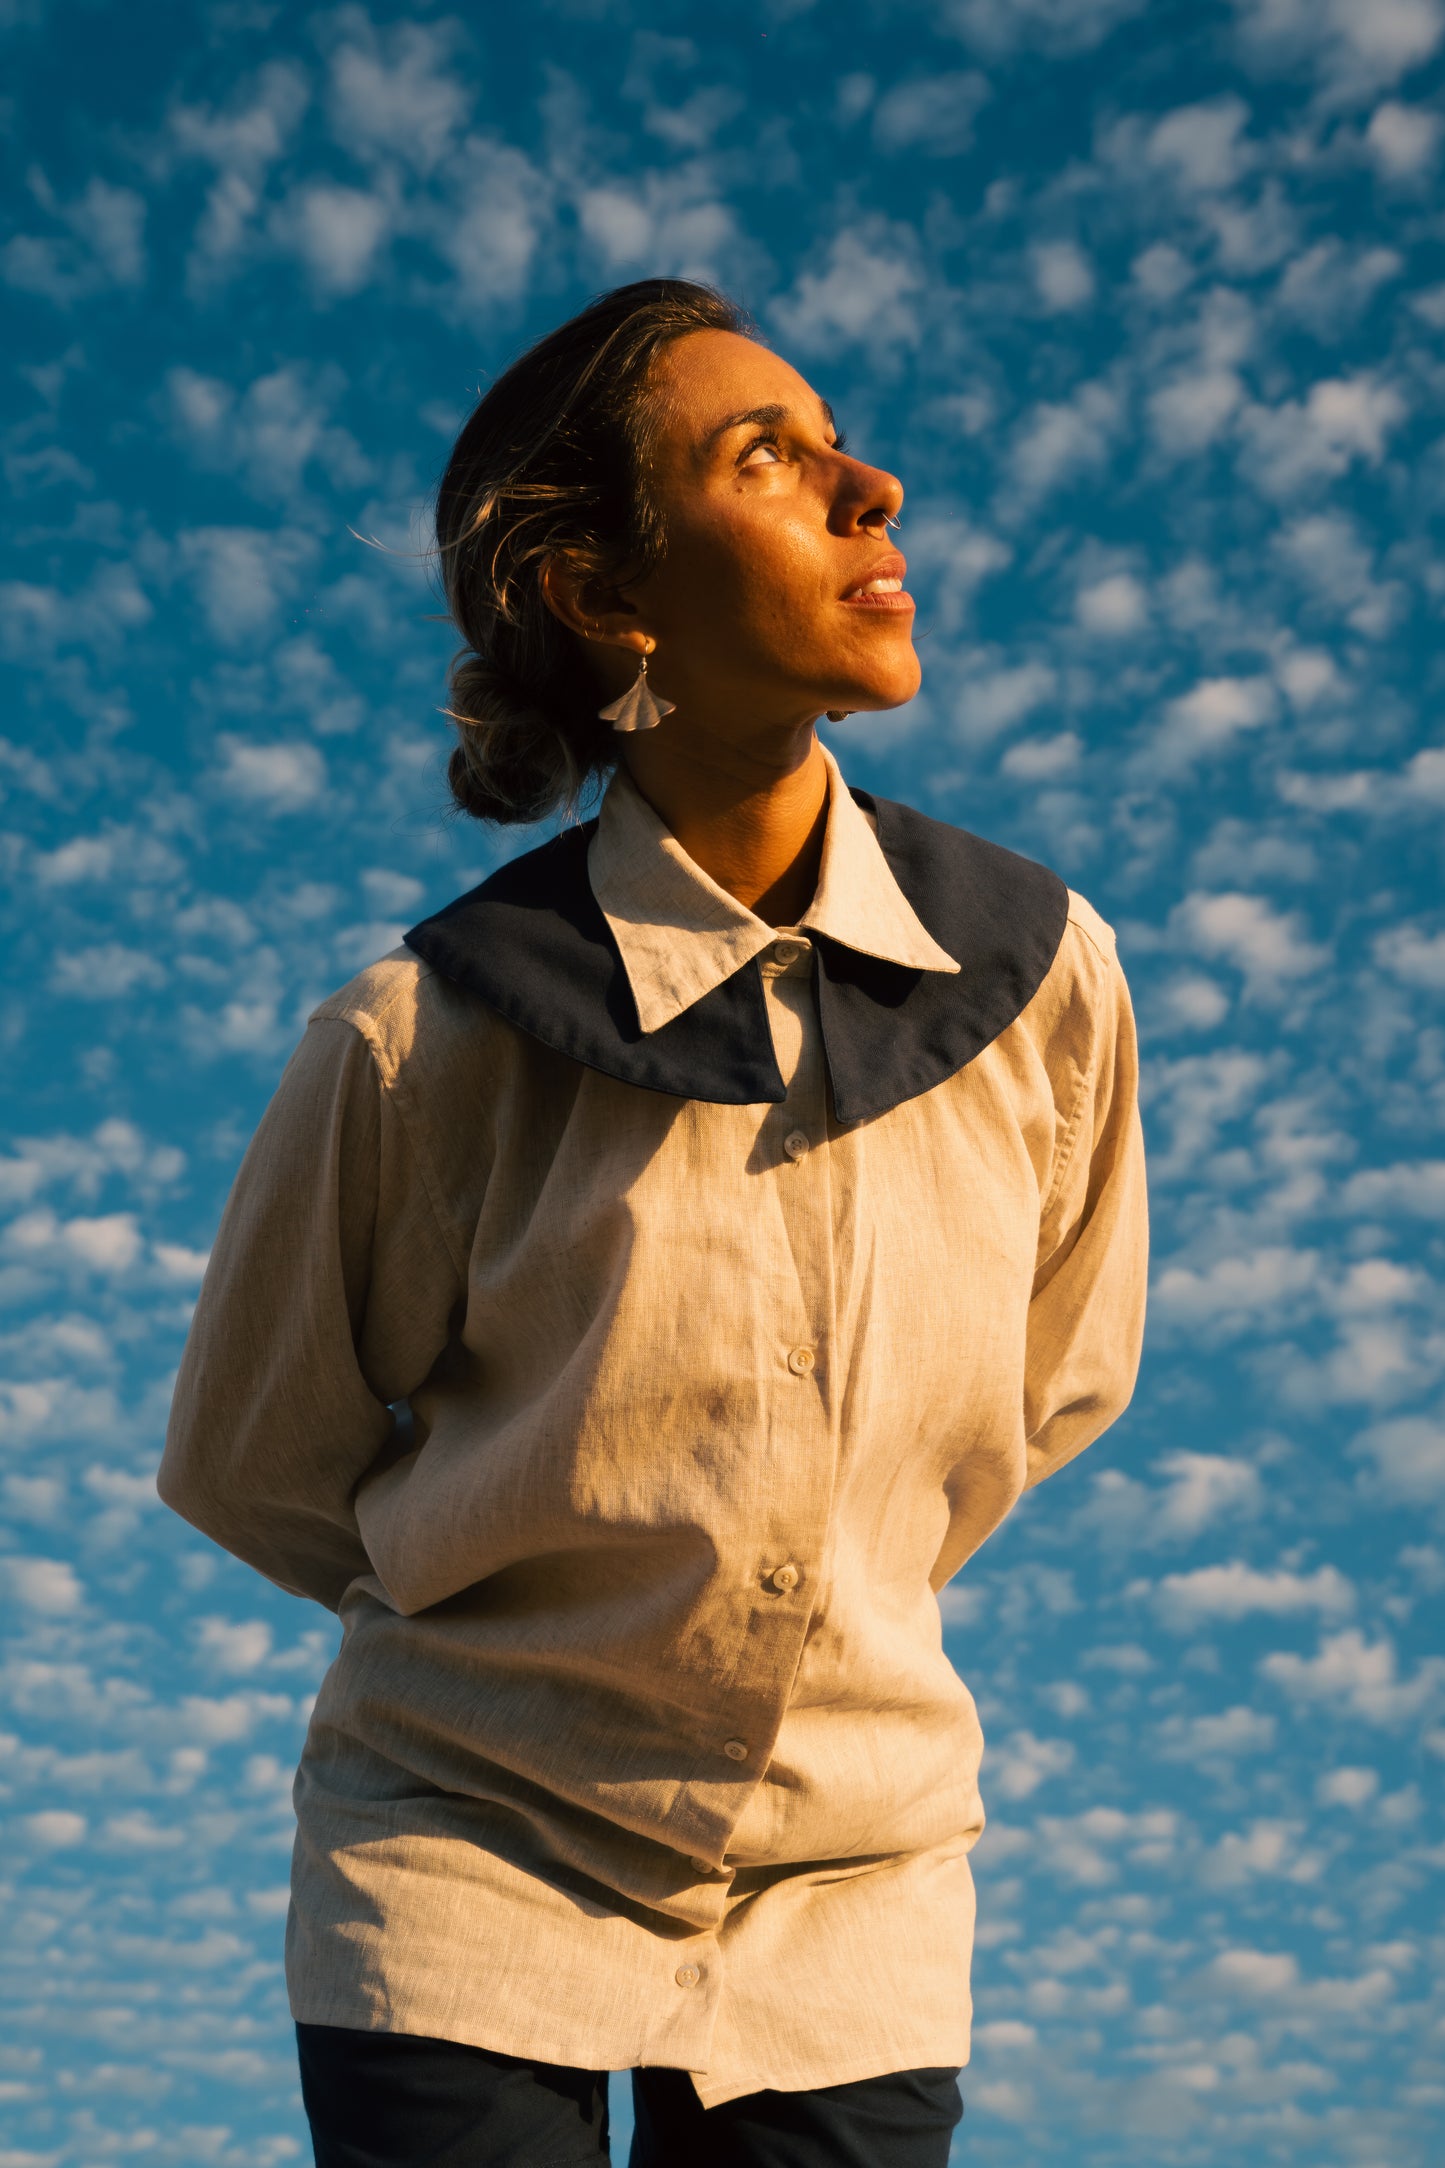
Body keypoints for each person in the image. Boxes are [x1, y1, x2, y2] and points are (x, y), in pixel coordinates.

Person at [158, 277, 1148, 2168]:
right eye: (766, 457)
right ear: (607, 598)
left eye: (838, 438)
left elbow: (1049, 1388)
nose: (875, 489)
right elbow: (257, 1463)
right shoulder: (415, 1038)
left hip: (854, 1894)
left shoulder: (1045, 982)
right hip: (462, 1867)